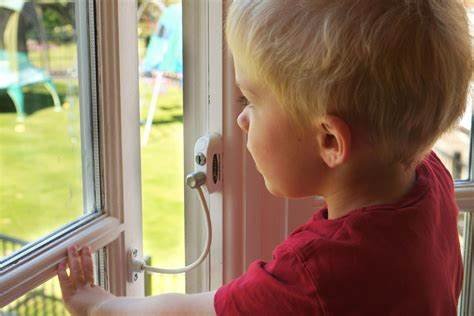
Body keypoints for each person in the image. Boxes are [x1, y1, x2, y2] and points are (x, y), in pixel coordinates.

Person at [57, 0, 472, 314]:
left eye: (249, 99)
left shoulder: (314, 275)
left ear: (329, 142)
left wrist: (100, 306)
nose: (240, 119)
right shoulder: (429, 178)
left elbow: (193, 312)